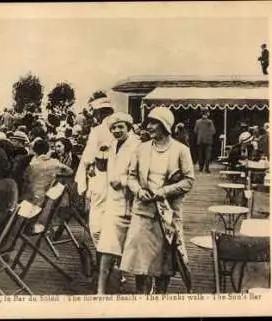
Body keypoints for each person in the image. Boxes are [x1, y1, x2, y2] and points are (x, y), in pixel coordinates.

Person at [120, 107, 195, 294]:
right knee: (140, 261)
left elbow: (188, 181)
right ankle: (141, 298)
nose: (149, 126)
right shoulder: (141, 149)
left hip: (168, 215)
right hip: (143, 211)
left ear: (165, 125)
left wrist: (164, 191)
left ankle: (160, 299)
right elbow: (131, 176)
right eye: (149, 122)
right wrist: (138, 190)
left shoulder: (181, 150)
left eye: (154, 122)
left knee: (164, 263)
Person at [96, 112, 140, 294]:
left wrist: (122, 180)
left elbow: (140, 172)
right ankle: (100, 290)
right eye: (113, 128)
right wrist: (100, 153)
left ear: (128, 126)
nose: (116, 130)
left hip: (134, 204)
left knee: (137, 251)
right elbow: (102, 168)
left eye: (120, 126)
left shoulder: (138, 145)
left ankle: (141, 291)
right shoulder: (112, 145)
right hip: (114, 204)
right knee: (107, 246)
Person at [74, 97, 115, 245]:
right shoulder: (125, 130)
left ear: (99, 114)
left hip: (102, 177)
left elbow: (88, 157)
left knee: (97, 220)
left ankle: (102, 252)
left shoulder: (98, 131)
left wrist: (87, 170)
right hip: (117, 180)